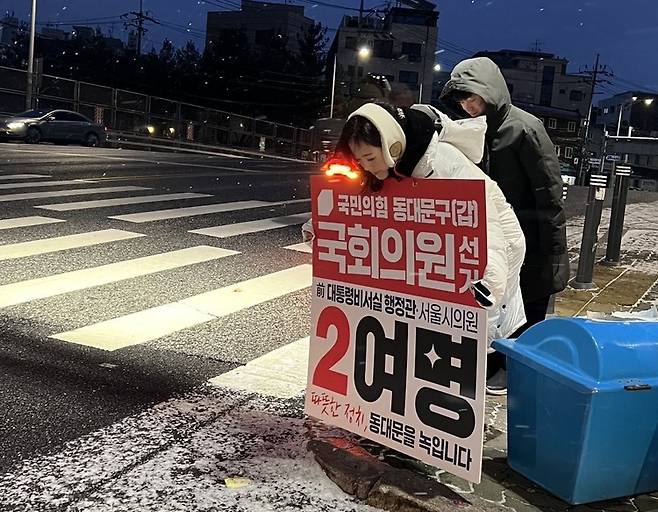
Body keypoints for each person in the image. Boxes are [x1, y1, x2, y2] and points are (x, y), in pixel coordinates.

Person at [305, 103, 526, 394]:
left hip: (495, 249)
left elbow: (485, 224)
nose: (365, 166)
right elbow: (362, 205)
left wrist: (492, 277)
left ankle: (482, 386)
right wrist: (319, 225)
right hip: (444, 246)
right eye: (360, 159)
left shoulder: (442, 161)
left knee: (479, 322)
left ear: (392, 144)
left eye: (370, 157)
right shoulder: (390, 165)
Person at [441, 58, 570, 392]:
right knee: (492, 298)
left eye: (472, 96)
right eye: (461, 99)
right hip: (490, 233)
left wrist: (555, 255)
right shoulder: (469, 131)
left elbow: (550, 194)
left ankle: (515, 367)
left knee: (527, 299)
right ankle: (491, 361)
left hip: (529, 231)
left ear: (490, 91)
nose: (467, 105)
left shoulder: (524, 128)